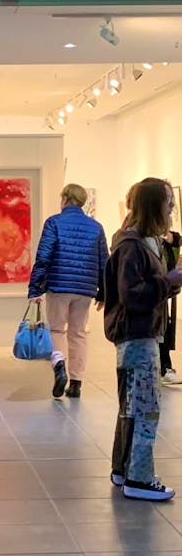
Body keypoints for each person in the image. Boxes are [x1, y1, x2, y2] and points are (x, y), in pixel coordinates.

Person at [104, 177, 182, 501]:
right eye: (168, 202)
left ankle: (123, 469)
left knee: (133, 407)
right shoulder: (133, 245)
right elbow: (133, 295)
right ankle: (139, 478)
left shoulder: (142, 241)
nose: (172, 208)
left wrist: (171, 281)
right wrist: (169, 281)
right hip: (137, 336)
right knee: (146, 408)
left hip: (140, 334)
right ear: (154, 205)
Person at [28, 183, 109, 399]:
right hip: (85, 288)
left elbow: (43, 257)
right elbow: (104, 262)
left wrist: (35, 288)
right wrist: (104, 293)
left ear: (64, 198)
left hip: (58, 285)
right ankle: (76, 383)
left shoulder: (54, 222)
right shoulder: (96, 227)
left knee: (56, 330)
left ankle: (59, 365)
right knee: (78, 333)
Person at [160, 182, 182, 385]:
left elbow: (177, 239)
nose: (172, 205)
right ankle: (163, 367)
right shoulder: (133, 237)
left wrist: (170, 237)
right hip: (155, 289)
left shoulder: (166, 232)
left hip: (163, 288)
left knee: (164, 326)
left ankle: (165, 366)